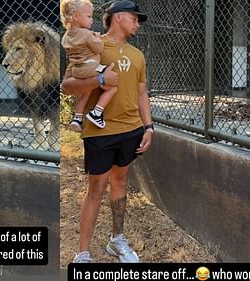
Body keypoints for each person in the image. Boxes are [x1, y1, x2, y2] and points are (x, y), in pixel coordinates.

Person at [62, 0, 154, 263]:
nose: (137, 24)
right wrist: (100, 79)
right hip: (99, 132)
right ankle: (82, 253)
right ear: (118, 17)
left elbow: (141, 93)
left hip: (131, 130)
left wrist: (148, 127)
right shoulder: (92, 43)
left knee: (120, 182)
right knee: (96, 188)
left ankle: (117, 240)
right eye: (134, 18)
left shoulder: (138, 55)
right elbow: (68, 85)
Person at [60, 0, 118, 132]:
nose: (92, 20)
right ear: (75, 16)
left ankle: (77, 119)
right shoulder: (86, 34)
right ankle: (96, 113)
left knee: (85, 93)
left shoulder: (65, 37)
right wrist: (97, 38)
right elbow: (98, 48)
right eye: (89, 16)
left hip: (77, 70)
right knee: (112, 84)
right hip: (90, 67)